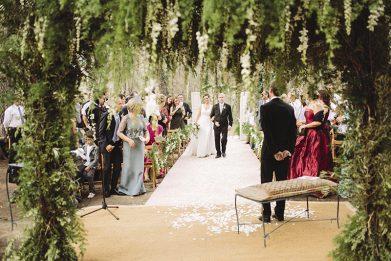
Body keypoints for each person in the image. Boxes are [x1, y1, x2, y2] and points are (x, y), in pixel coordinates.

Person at [259, 83, 297, 222]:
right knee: (282, 183)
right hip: (285, 153)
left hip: (269, 152)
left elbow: (267, 132)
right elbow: (293, 132)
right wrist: (288, 150)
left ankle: (266, 214)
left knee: (266, 182)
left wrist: (275, 151)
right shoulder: (289, 108)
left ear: (270, 92)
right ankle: (280, 213)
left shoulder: (265, 108)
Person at [289, 90, 333, 179]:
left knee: (314, 156)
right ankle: (302, 173)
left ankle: (312, 175)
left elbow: (318, 122)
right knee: (303, 155)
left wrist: (305, 126)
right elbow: (312, 118)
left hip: (315, 134)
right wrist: (303, 122)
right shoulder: (314, 104)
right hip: (309, 133)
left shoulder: (322, 106)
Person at [117, 97, 150, 196]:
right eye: (139, 106)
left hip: (140, 144)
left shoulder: (140, 117)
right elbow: (119, 132)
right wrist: (128, 140)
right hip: (129, 145)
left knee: (139, 167)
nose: (141, 107)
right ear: (135, 106)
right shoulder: (126, 118)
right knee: (129, 167)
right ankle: (125, 188)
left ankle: (138, 189)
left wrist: (147, 137)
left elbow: (146, 130)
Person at [90, 93, 114, 197]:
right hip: (104, 143)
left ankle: (110, 188)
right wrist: (103, 144)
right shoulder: (96, 110)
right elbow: (97, 128)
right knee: (106, 166)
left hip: (112, 142)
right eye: (103, 97)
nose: (105, 99)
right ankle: (105, 190)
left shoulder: (107, 111)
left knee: (110, 167)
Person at [106, 94, 126, 195]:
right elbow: (101, 131)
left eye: (122, 103)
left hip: (117, 144)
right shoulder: (108, 114)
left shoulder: (120, 114)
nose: (121, 105)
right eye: (119, 104)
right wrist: (106, 144)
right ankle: (107, 190)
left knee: (117, 168)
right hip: (109, 145)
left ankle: (113, 188)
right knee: (108, 168)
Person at [75, 131, 99, 199]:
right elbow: (82, 154)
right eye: (86, 139)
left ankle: (92, 191)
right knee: (78, 173)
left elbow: (96, 160)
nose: (88, 141)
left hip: (92, 165)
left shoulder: (95, 148)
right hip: (85, 163)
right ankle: (79, 190)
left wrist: (89, 166)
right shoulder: (84, 146)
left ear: (92, 139)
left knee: (89, 175)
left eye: (89, 139)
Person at [210, 93, 233, 158]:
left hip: (225, 125)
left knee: (224, 139)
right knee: (216, 139)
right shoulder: (215, 106)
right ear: (218, 98)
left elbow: (230, 117)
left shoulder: (228, 106)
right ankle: (218, 153)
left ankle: (223, 151)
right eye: (220, 97)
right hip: (216, 125)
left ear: (224, 98)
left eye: (222, 97)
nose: (221, 98)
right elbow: (211, 116)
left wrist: (230, 125)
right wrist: (215, 122)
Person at [3, 97, 25, 162]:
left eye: (19, 99)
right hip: (13, 130)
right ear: (13, 100)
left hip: (22, 130)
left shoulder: (22, 108)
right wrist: (7, 130)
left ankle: (20, 165)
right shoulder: (9, 109)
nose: (18, 101)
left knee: (22, 147)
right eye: (16, 99)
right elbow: (6, 122)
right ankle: (12, 165)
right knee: (14, 148)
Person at [144, 114, 164, 181]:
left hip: (156, 146)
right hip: (148, 146)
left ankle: (155, 171)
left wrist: (157, 135)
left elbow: (160, 141)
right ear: (150, 121)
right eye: (153, 119)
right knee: (148, 153)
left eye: (156, 119)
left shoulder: (160, 127)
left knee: (154, 152)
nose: (155, 121)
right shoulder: (147, 127)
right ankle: (146, 173)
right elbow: (146, 141)